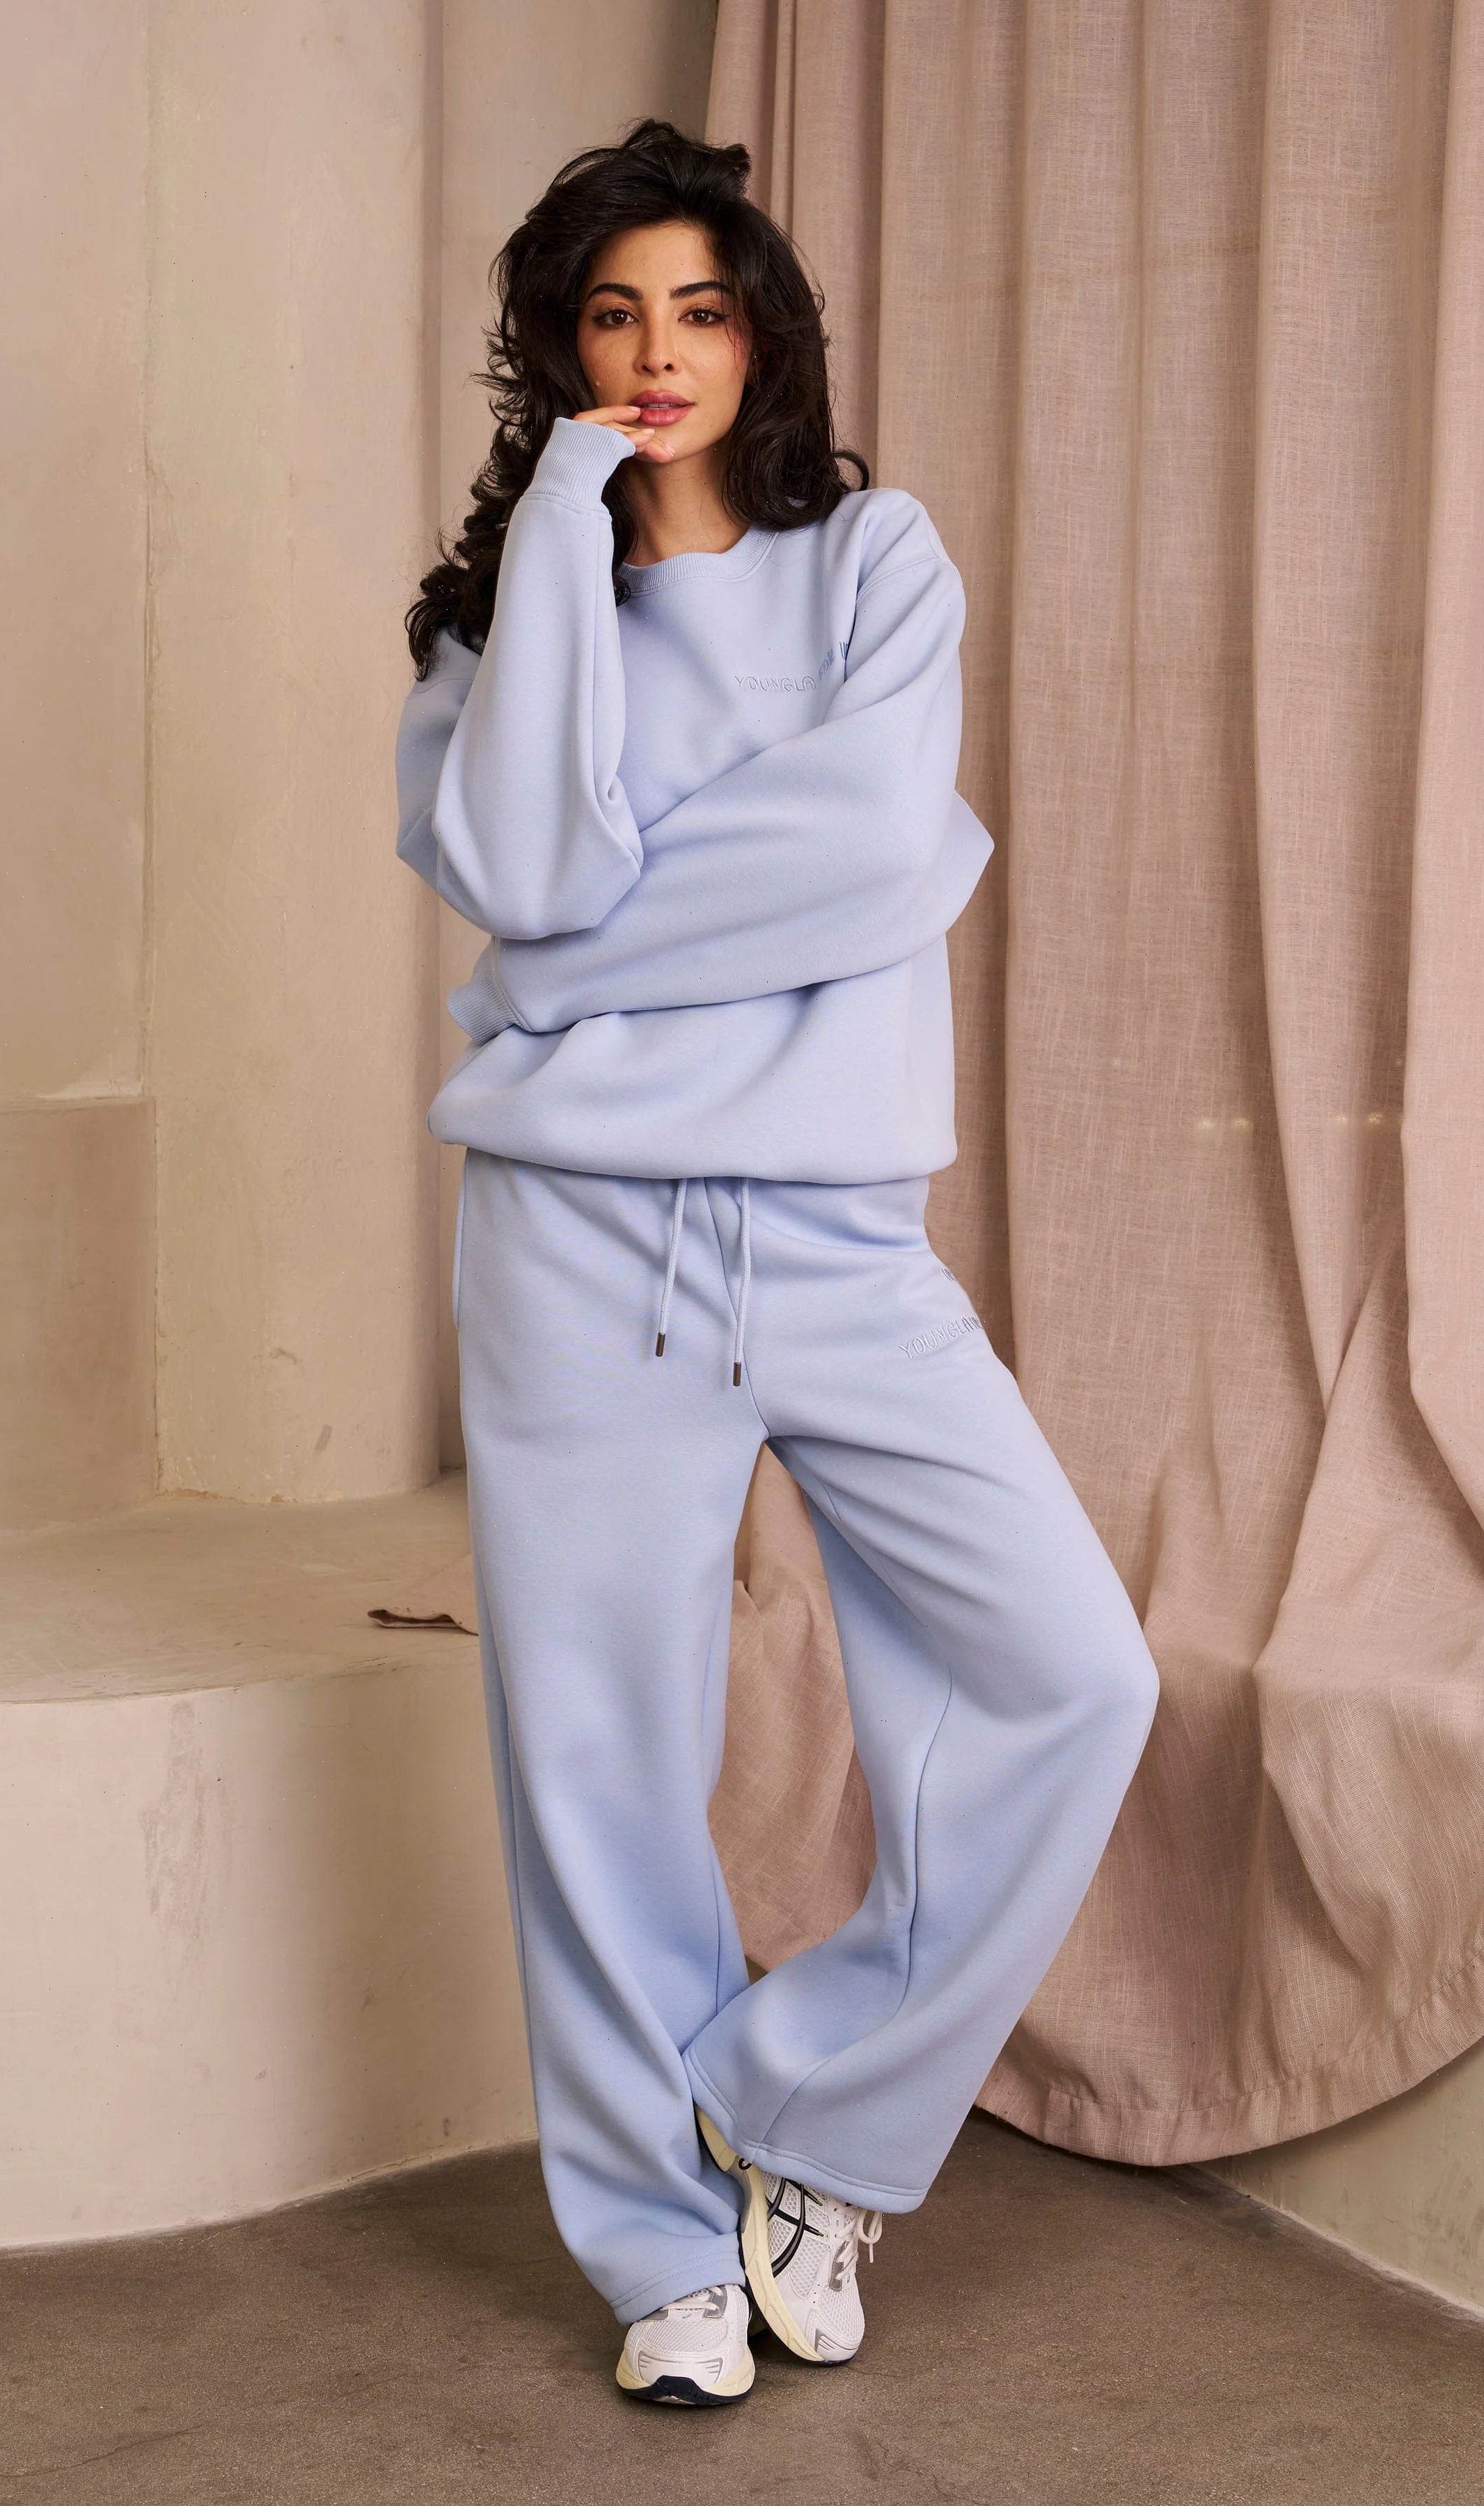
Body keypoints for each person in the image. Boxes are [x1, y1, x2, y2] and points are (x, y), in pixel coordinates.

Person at [395, 119, 1160, 2408]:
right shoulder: (496, 621)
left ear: (764, 336)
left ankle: (803, 2114)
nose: (661, 354)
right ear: (558, 351)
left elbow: (858, 853)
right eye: (613, 316)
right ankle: (655, 2248)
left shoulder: (871, 567)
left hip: (834, 1232)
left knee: (1073, 1674)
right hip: (579, 1245)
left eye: (701, 310)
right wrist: (558, 536)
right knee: (597, 1762)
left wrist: (570, 972)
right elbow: (531, 865)